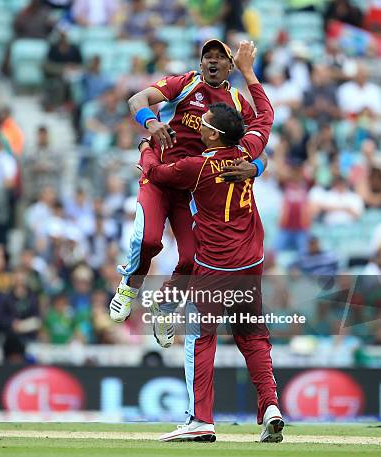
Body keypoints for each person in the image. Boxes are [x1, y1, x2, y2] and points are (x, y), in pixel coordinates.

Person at [139, 41, 282, 444]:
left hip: (215, 268)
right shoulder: (246, 155)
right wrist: (250, 73)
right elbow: (266, 118)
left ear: (215, 133)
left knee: (200, 339)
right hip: (252, 264)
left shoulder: (196, 167)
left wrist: (146, 148)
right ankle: (270, 405)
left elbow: (157, 174)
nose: (197, 126)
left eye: (204, 125)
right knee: (253, 337)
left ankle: (200, 419)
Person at [109, 39, 266, 323]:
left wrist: (254, 168)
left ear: (231, 66)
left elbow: (260, 150)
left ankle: (165, 308)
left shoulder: (237, 104)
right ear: (200, 62)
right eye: (208, 56)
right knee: (147, 240)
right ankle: (129, 287)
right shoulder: (183, 84)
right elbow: (136, 100)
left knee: (192, 258)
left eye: (221, 57)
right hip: (158, 177)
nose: (213, 61)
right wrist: (151, 123)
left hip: (192, 190)